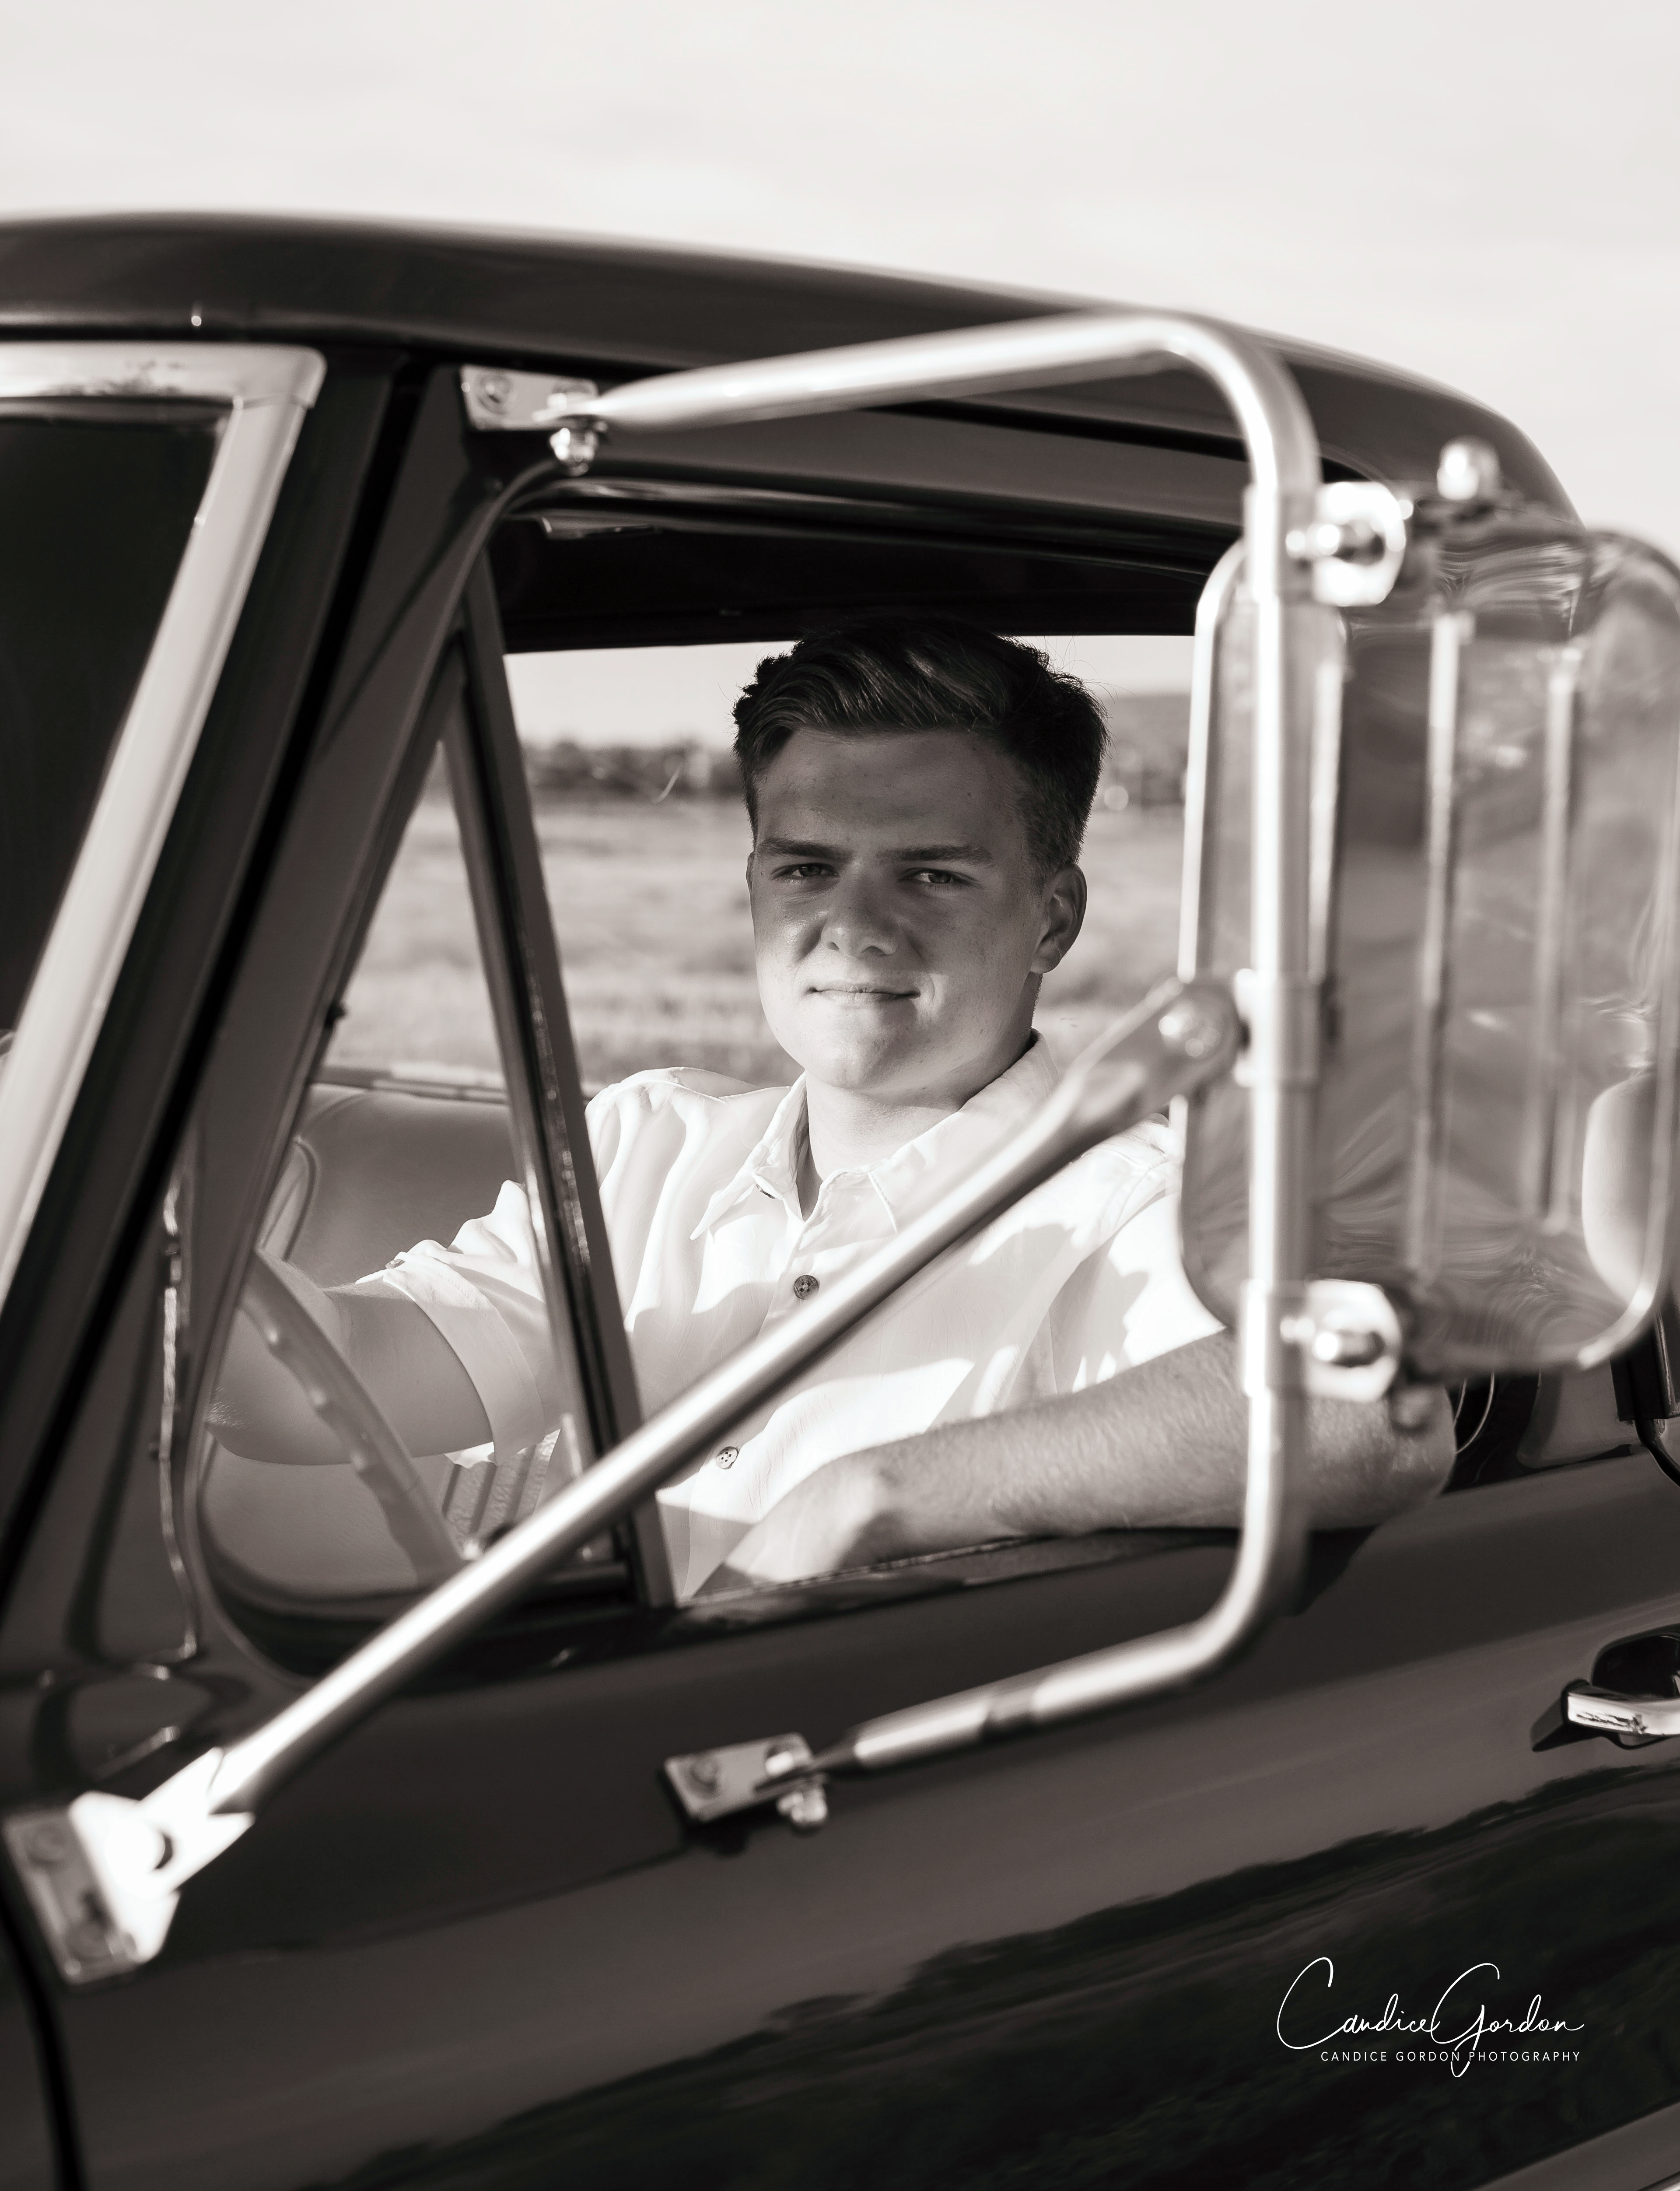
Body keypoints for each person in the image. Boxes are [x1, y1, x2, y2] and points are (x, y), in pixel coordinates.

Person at [212, 620, 1453, 1598]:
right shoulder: (648, 1142)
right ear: (757, 886)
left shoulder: (1136, 1208)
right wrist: (149, 1265)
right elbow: (330, 1382)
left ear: (1055, 918)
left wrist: (874, 1496)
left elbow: (1371, 1425)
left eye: (932, 875)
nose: (853, 929)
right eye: (806, 868)